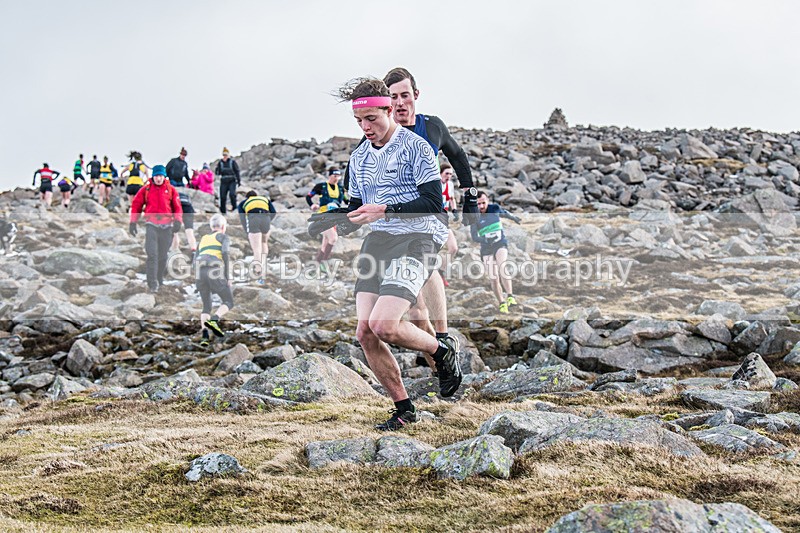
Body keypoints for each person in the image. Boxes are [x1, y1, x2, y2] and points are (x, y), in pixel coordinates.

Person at [336, 77, 459, 431]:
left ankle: (441, 350)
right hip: (380, 239)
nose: (365, 127)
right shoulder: (359, 157)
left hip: (419, 236)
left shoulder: (417, 147)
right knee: (365, 332)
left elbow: (433, 203)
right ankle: (404, 408)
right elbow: (358, 209)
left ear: (389, 110)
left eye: (372, 118)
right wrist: (334, 223)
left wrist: (385, 209)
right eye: (359, 121)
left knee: (385, 324)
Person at [129, 164, 183, 293]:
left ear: (164, 177)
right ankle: (152, 283)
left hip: (167, 226)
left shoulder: (171, 190)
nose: (158, 179)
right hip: (151, 225)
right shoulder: (146, 189)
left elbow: (177, 207)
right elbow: (136, 205)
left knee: (163, 256)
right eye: (156, 176)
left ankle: (159, 279)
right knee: (152, 255)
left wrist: (178, 221)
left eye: (161, 176)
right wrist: (133, 222)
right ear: (153, 177)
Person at [470, 191, 521, 314]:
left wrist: (514, 218)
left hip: (500, 243)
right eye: (478, 204)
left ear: (488, 201)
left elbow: (504, 213)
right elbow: (474, 236)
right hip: (486, 248)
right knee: (493, 277)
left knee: (502, 265)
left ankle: (510, 296)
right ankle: (502, 303)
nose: (481, 206)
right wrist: (486, 239)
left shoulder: (494, 208)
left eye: (483, 203)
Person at [195, 214, 234, 346]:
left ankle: (205, 336)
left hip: (200, 272)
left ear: (211, 227)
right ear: (223, 227)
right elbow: (225, 254)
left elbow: (195, 259)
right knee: (228, 301)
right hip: (214, 271)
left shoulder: (203, 239)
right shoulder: (223, 237)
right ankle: (215, 319)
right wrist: (228, 276)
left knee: (206, 306)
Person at [306, 167, 348, 275]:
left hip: (335, 217)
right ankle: (323, 263)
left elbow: (346, 200)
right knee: (333, 238)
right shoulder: (321, 186)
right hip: (323, 217)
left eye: (338, 176)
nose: (336, 179)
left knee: (325, 243)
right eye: (335, 176)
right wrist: (312, 205)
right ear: (329, 175)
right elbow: (308, 196)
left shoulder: (340, 188)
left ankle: (316, 266)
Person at [236, 190, 276, 283]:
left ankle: (258, 272)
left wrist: (247, 230)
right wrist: (268, 220)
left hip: (254, 219)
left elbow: (242, 218)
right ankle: (264, 264)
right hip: (265, 218)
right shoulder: (264, 199)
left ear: (247, 197)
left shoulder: (243, 203)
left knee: (256, 248)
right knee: (264, 242)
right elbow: (273, 212)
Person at [215, 147, 240, 213]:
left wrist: (239, 181)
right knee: (222, 197)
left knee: (232, 194)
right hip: (223, 181)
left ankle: (235, 208)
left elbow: (237, 171)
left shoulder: (232, 162)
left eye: (226, 155)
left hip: (232, 180)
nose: (225, 156)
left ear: (228, 155)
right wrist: (217, 169)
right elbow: (218, 172)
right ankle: (223, 211)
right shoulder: (220, 163)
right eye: (224, 155)